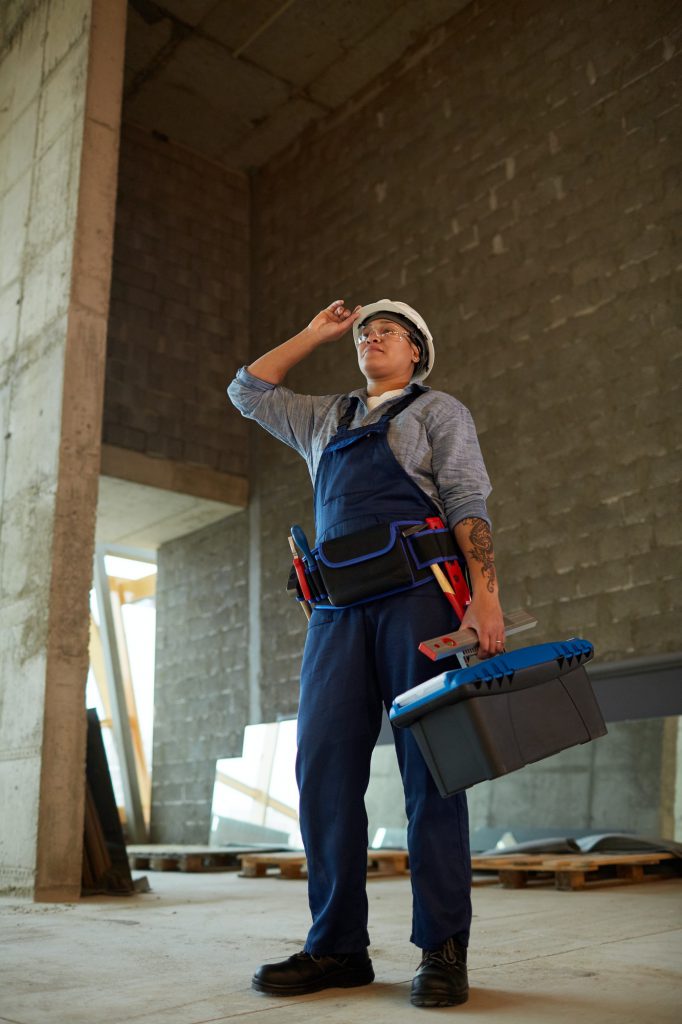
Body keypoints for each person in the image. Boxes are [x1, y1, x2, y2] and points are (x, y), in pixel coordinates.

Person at [227, 298, 505, 1008]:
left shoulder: (438, 412)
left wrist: (486, 597)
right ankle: (338, 947)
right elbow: (247, 390)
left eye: (387, 331)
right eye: (361, 333)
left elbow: (469, 502)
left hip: (420, 602)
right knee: (321, 769)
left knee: (433, 773)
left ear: (418, 352)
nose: (369, 338)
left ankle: (443, 949)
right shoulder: (328, 418)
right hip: (335, 613)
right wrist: (314, 332)